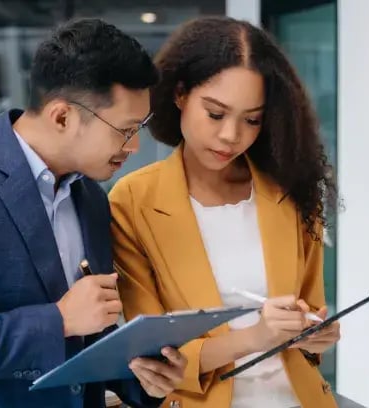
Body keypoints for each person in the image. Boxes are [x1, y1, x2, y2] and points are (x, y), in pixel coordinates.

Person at [0, 18, 186, 408]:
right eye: (125, 129)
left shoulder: (90, 198)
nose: (135, 146)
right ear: (62, 117)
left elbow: (84, 341)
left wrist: (143, 380)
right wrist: (57, 321)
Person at [109, 16, 341, 408]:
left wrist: (317, 334)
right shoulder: (133, 201)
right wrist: (256, 337)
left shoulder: (289, 192)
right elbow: (150, 360)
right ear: (180, 94)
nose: (231, 135)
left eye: (252, 119)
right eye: (216, 114)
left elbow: (310, 323)